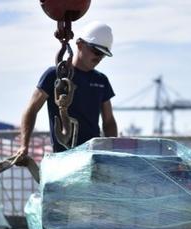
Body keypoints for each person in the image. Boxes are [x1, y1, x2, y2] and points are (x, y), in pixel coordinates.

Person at [16, 21, 118, 159]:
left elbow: (109, 121)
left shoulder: (101, 81)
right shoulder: (54, 75)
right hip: (63, 157)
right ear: (79, 44)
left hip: (92, 157)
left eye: (103, 54)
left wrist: (114, 151)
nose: (99, 57)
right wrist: (24, 145)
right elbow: (32, 109)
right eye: (96, 51)